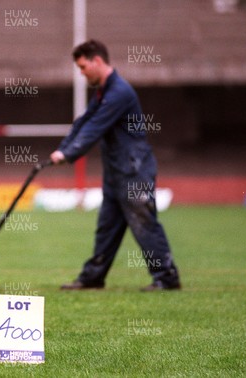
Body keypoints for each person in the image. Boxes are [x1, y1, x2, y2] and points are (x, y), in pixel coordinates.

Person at [50, 39, 181, 292]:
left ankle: (166, 278)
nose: (81, 73)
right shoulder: (104, 92)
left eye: (83, 66)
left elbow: (94, 128)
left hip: (134, 171)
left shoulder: (119, 92)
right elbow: (83, 122)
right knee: (107, 227)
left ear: (97, 61)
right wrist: (62, 149)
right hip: (116, 173)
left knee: (144, 224)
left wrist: (68, 154)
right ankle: (93, 277)